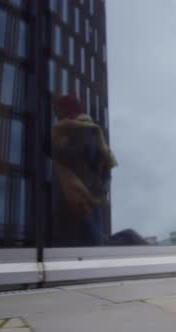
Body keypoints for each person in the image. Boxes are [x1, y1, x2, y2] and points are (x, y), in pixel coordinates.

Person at [50, 95, 117, 246]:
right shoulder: (91, 130)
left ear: (66, 110)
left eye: (57, 110)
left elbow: (73, 155)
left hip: (78, 197)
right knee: (91, 242)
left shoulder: (77, 130)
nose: (55, 114)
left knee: (85, 243)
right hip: (88, 196)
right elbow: (106, 165)